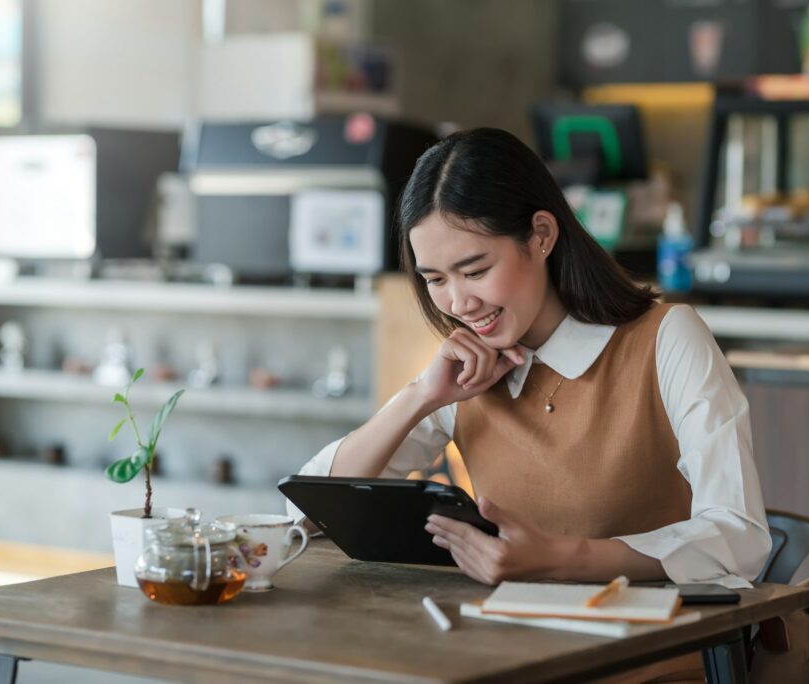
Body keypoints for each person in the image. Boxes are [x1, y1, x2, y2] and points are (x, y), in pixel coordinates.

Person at [287, 126, 771, 594]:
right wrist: (420, 397)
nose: (458, 303)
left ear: (540, 234)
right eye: (435, 280)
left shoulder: (666, 338)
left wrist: (563, 559)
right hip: (510, 646)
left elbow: (738, 536)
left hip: (651, 651)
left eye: (474, 270)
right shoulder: (466, 372)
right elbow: (306, 513)